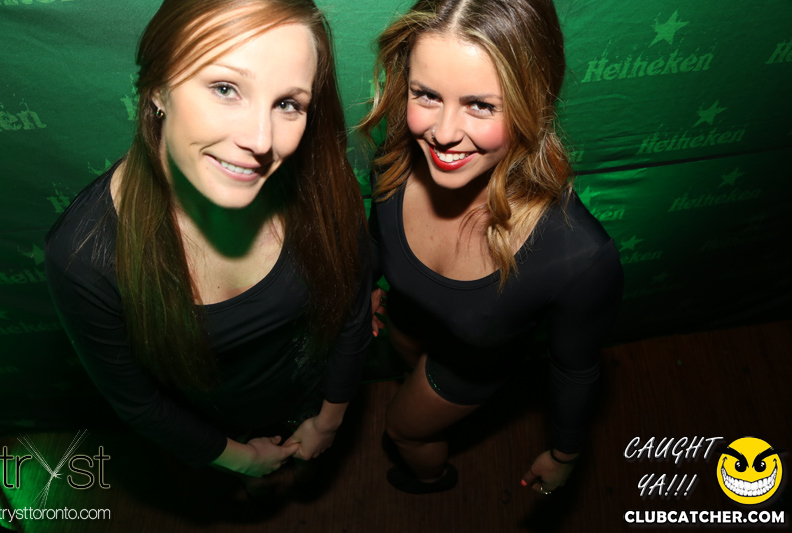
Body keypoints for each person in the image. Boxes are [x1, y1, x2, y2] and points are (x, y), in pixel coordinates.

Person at [44, 0, 371, 486]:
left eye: (287, 104)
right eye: (225, 88)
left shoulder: (318, 180)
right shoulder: (84, 256)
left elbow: (352, 308)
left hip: (311, 393)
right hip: (213, 430)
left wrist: (330, 418)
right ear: (158, 87)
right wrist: (238, 458)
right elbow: (138, 402)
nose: (261, 140)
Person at [359, 0, 623, 495]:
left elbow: (574, 369)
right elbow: (376, 237)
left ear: (532, 102)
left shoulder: (578, 258)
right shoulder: (394, 160)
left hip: (471, 368)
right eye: (426, 95)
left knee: (403, 430)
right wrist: (367, 284)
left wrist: (565, 452)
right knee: (409, 374)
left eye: (480, 105)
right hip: (407, 320)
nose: (442, 134)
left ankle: (433, 480)